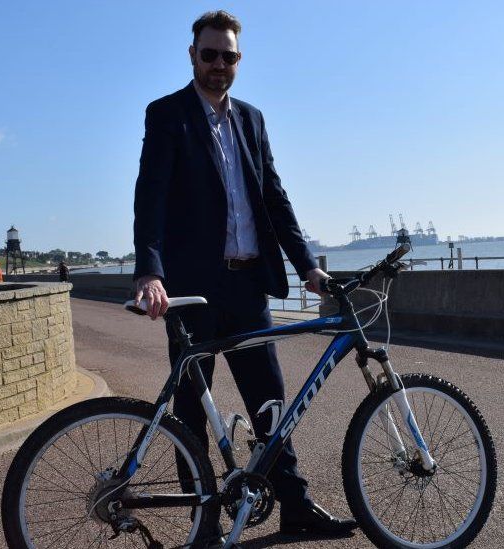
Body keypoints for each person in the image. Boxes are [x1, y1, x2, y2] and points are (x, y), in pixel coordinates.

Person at [131, 10, 355, 540]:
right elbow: (151, 198)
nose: (218, 65)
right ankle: (203, 520)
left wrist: (308, 268)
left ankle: (296, 506)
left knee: (272, 404)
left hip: (250, 283)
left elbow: (275, 200)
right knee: (190, 410)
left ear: (239, 59)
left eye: (228, 56)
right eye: (209, 54)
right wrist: (149, 271)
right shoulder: (168, 114)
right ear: (192, 55)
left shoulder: (251, 119)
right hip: (193, 289)